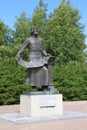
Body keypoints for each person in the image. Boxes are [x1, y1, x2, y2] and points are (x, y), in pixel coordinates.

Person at [16, 26, 57, 93]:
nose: (37, 31)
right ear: (32, 31)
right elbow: (23, 48)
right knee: (33, 72)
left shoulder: (40, 40)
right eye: (35, 30)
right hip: (32, 57)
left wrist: (46, 54)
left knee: (45, 70)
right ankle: (33, 87)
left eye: (37, 29)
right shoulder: (28, 39)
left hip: (40, 57)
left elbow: (42, 49)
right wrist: (18, 54)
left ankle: (44, 86)